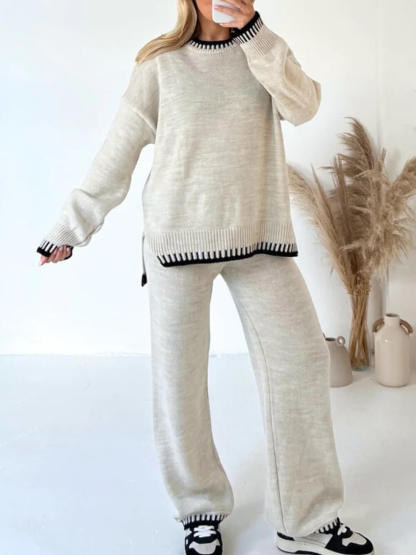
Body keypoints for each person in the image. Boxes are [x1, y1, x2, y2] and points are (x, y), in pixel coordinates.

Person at [36, 1, 375, 554]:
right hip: (177, 241)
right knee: (180, 382)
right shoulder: (160, 64)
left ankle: (307, 520)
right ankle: (199, 509)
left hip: (258, 238)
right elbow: (118, 151)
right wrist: (71, 228)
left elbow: (305, 106)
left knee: (301, 361)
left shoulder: (262, 52)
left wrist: (256, 35)